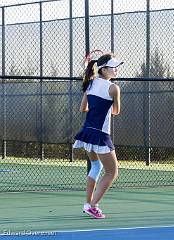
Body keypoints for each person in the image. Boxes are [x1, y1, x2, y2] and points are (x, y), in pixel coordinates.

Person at [73, 53, 122, 219]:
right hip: (100, 135)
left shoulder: (90, 83)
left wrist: (97, 106)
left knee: (96, 167)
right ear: (104, 69)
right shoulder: (114, 88)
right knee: (112, 172)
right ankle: (93, 206)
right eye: (113, 67)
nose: (116, 70)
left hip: (87, 132)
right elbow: (116, 111)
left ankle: (88, 204)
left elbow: (83, 108)